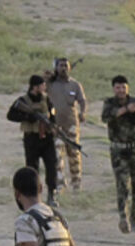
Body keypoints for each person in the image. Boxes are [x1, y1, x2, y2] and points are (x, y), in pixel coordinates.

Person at [100, 75, 135, 234]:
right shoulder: (109, 103)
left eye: (124, 87)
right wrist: (125, 110)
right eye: (118, 87)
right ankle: (123, 217)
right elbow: (106, 117)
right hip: (119, 149)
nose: (121, 90)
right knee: (122, 184)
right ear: (113, 89)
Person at [6, 75, 60, 207]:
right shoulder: (23, 101)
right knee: (32, 169)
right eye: (42, 85)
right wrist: (27, 117)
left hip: (46, 139)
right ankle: (32, 196)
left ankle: (51, 194)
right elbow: (11, 115)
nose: (44, 87)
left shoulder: (47, 100)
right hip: (31, 139)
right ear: (35, 87)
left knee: (52, 166)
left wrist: (52, 125)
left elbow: (53, 116)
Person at [46, 58, 87, 192]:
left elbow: (82, 101)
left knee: (74, 154)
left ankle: (76, 183)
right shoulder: (50, 84)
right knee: (57, 155)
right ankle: (60, 184)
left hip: (71, 124)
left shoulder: (75, 85)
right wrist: (49, 76)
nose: (64, 68)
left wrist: (82, 113)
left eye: (66, 65)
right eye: (61, 65)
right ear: (56, 67)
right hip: (55, 125)